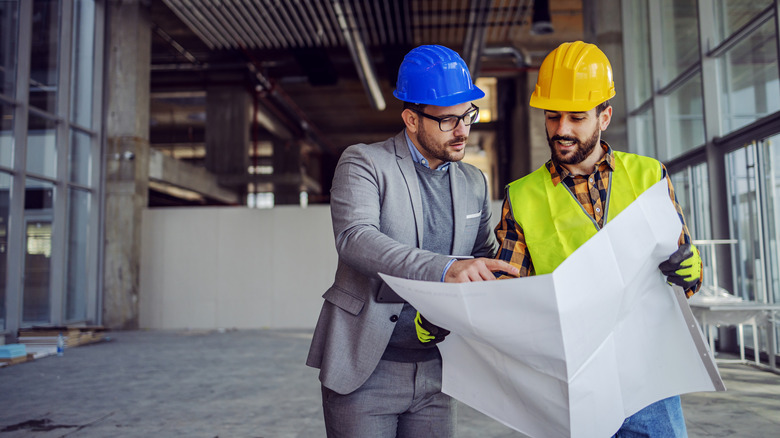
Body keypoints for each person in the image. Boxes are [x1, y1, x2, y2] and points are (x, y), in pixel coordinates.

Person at [306, 45, 519, 438]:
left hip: (438, 370)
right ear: (411, 119)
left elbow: (482, 258)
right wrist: (445, 268)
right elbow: (356, 238)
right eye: (448, 120)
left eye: (468, 115)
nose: (462, 130)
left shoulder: (473, 182)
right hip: (367, 366)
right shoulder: (365, 162)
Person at [494, 41, 703, 437]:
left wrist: (691, 270)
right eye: (553, 117)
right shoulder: (521, 196)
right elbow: (509, 294)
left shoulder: (648, 176)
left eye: (577, 117)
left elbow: (686, 271)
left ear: (604, 116)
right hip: (573, 380)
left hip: (650, 379)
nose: (562, 130)